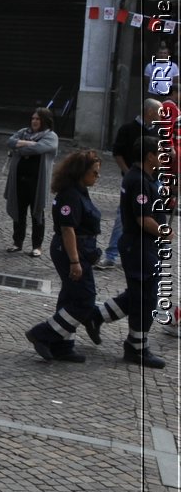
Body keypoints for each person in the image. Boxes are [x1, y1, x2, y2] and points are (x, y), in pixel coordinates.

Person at [89, 136, 168, 368]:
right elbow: (143, 219)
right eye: (160, 152)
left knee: (139, 294)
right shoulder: (139, 181)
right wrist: (165, 232)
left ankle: (97, 316)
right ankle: (136, 348)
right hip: (140, 246)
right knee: (146, 298)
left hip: (144, 245)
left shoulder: (145, 177)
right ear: (150, 155)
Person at [25, 149, 108, 363]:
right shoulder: (70, 195)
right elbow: (68, 229)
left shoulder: (79, 190)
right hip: (71, 250)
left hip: (80, 249)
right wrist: (75, 261)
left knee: (71, 296)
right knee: (84, 299)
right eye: (94, 173)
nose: (97, 177)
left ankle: (63, 345)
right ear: (81, 172)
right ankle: (43, 333)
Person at [101, 99, 161, 269]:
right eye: (159, 112)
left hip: (154, 180)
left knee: (154, 216)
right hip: (134, 180)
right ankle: (111, 255)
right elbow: (117, 152)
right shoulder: (128, 129)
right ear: (150, 112)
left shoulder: (158, 129)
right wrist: (127, 171)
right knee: (123, 216)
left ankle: (148, 253)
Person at [5, 107, 59, 256]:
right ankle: (17, 242)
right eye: (33, 118)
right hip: (19, 180)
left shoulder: (51, 136)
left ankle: (37, 246)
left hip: (37, 182)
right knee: (19, 212)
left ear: (45, 121)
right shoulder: (24, 132)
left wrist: (21, 146)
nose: (34, 121)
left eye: (38, 119)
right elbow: (10, 141)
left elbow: (39, 149)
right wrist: (28, 144)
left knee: (37, 213)